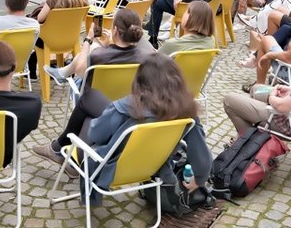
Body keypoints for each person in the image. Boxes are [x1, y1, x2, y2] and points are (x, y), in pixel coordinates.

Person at [44, 54, 211, 201]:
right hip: (152, 166)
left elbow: (95, 135)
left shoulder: (127, 107)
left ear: (141, 81)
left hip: (108, 168)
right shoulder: (187, 113)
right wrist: (199, 179)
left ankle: (61, 152)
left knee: (90, 111)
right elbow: (202, 156)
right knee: (93, 102)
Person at [44, 7, 155, 86]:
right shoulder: (147, 54)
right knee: (94, 48)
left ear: (115, 30)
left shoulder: (99, 55)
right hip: (131, 100)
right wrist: (107, 45)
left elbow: (79, 72)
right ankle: (62, 73)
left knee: (91, 49)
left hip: (99, 101)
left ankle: (62, 73)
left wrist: (88, 40)